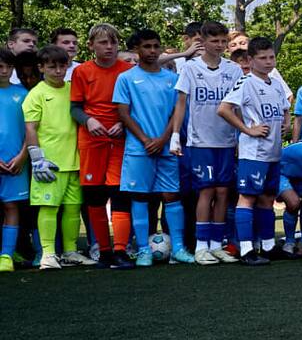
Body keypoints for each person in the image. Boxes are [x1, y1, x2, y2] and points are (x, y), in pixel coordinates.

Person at [112, 29, 190, 265]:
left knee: (171, 195)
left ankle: (178, 248)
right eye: (147, 46)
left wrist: (163, 138)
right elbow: (123, 113)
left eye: (156, 46)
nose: (152, 51)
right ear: (138, 49)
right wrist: (146, 140)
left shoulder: (171, 79)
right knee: (140, 196)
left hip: (166, 147)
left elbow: (177, 112)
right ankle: (144, 249)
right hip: (139, 148)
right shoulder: (126, 78)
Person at [217, 37, 296, 265]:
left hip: (273, 152)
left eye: (271, 57)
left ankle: (269, 246)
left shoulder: (276, 83)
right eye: (263, 58)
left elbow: (285, 108)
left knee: (267, 199)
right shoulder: (246, 82)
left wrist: (288, 122)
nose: (268, 62)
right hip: (254, 154)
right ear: (251, 60)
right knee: (247, 198)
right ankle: (245, 250)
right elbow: (224, 109)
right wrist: (247, 130)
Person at [173, 22, 243, 264]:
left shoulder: (233, 69)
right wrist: (175, 136)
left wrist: (241, 135)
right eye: (215, 41)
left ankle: (216, 244)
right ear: (203, 40)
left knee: (223, 191)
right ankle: (201, 246)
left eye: (224, 41)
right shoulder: (190, 68)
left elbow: (238, 104)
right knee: (206, 191)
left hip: (226, 140)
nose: (220, 46)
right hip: (199, 141)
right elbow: (181, 103)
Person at [69, 23, 133, 265]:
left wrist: (124, 123)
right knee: (94, 195)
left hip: (120, 140)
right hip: (91, 140)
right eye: (104, 42)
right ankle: (104, 251)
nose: (109, 47)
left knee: (119, 194)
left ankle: (121, 250)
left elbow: (135, 108)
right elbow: (74, 108)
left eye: (113, 42)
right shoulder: (82, 72)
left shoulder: (127, 71)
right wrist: (88, 120)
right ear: (91, 46)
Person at [24, 45, 86, 268]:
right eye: (52, 66)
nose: (58, 70)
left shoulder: (72, 89)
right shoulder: (36, 94)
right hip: (49, 163)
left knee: (73, 208)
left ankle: (70, 251)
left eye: (62, 65)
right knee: (49, 207)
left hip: (75, 160)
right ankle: (48, 254)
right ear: (41, 68)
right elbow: (30, 128)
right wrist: (37, 158)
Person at [0, 50, 26, 269]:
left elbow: (33, 129)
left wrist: (22, 156)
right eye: (0, 66)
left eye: (8, 66)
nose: (4, 70)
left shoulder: (23, 94)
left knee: (11, 206)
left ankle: (7, 255)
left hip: (16, 162)